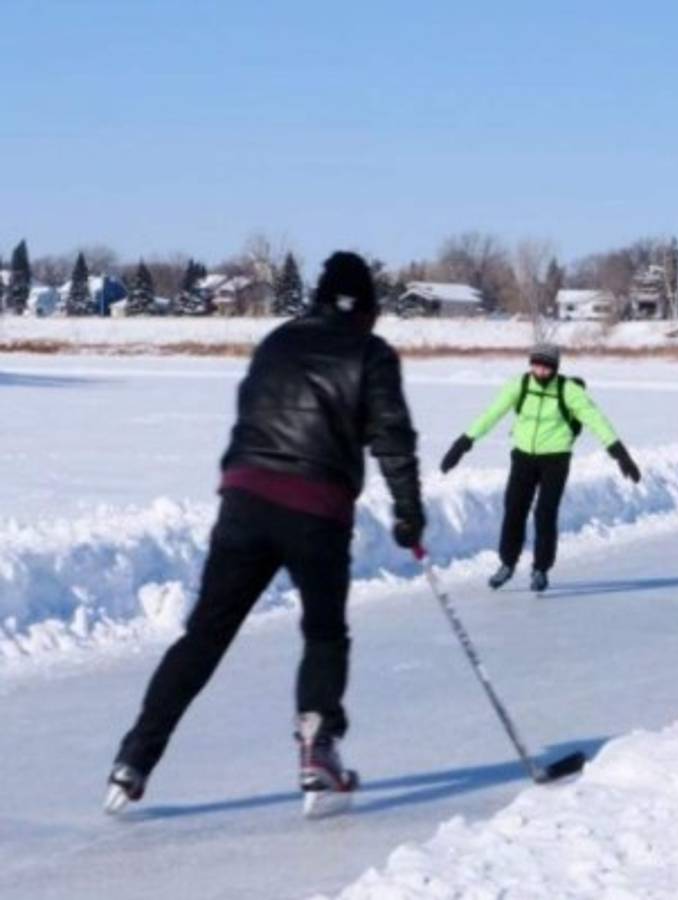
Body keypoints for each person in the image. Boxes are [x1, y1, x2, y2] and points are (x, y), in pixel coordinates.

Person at [105, 251, 424, 812]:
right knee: (324, 633)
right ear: (368, 308)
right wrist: (408, 513)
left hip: (246, 500)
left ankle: (134, 757)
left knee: (204, 636)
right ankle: (317, 751)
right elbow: (392, 437)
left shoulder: (277, 341)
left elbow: (249, 413)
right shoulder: (371, 354)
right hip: (316, 508)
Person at [439, 343, 640, 593]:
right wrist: (463, 443)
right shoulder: (520, 385)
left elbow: (596, 420)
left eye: (546, 366)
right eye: (536, 364)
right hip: (523, 457)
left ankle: (541, 569)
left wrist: (619, 454)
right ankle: (507, 564)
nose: (540, 371)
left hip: (555, 460)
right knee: (514, 509)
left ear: (555, 368)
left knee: (545, 513)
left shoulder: (569, 391)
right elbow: (491, 414)